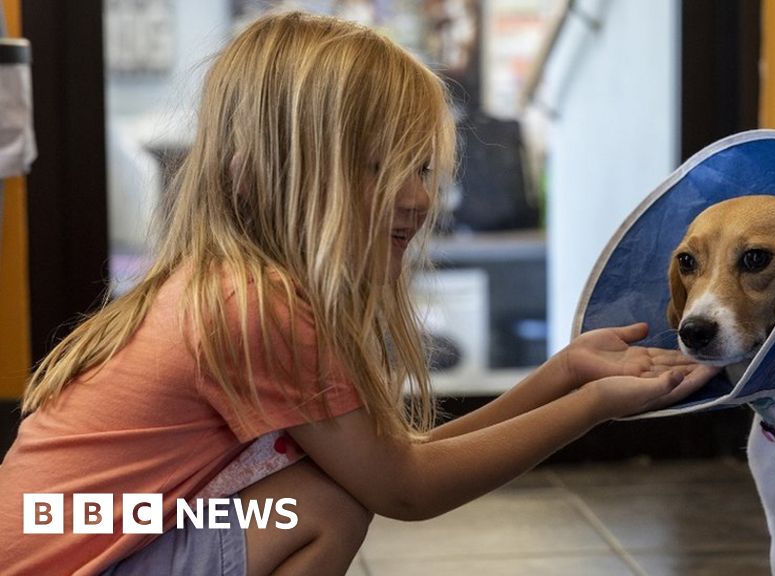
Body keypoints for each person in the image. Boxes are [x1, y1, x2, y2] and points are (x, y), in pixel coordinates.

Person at [0, 12, 718, 576]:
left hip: (67, 540)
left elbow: (400, 459)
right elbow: (403, 490)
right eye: (378, 167)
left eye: (421, 167)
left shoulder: (228, 284)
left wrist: (564, 375)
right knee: (322, 504)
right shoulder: (253, 307)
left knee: (331, 485)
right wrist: (591, 406)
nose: (416, 197)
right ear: (265, 177)